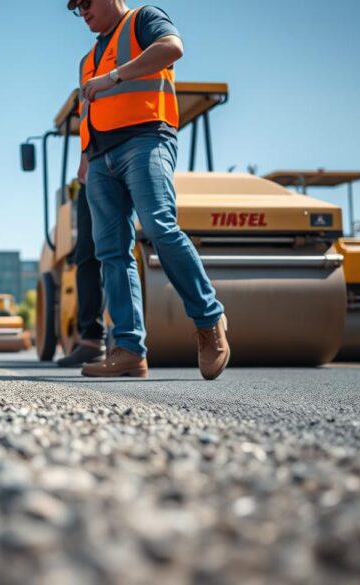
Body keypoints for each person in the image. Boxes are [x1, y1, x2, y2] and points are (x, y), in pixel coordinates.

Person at [69, 0, 230, 379]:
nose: (83, 12)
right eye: (77, 8)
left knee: (159, 227)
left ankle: (210, 321)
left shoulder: (143, 19)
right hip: (100, 158)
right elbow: (89, 110)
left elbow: (172, 48)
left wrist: (115, 76)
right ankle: (128, 349)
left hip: (145, 140)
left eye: (86, 3)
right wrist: (85, 157)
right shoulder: (88, 58)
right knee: (110, 252)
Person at [56, 183, 108, 367]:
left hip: (126, 164)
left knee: (117, 255)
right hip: (93, 170)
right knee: (87, 256)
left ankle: (129, 344)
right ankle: (92, 341)